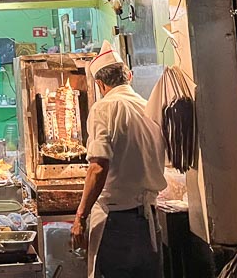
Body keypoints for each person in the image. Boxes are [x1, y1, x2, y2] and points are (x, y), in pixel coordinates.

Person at [71, 41, 167, 278]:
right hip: (149, 220)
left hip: (117, 222)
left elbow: (98, 167)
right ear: (129, 76)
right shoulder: (148, 108)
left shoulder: (104, 108)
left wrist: (80, 217)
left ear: (100, 84)